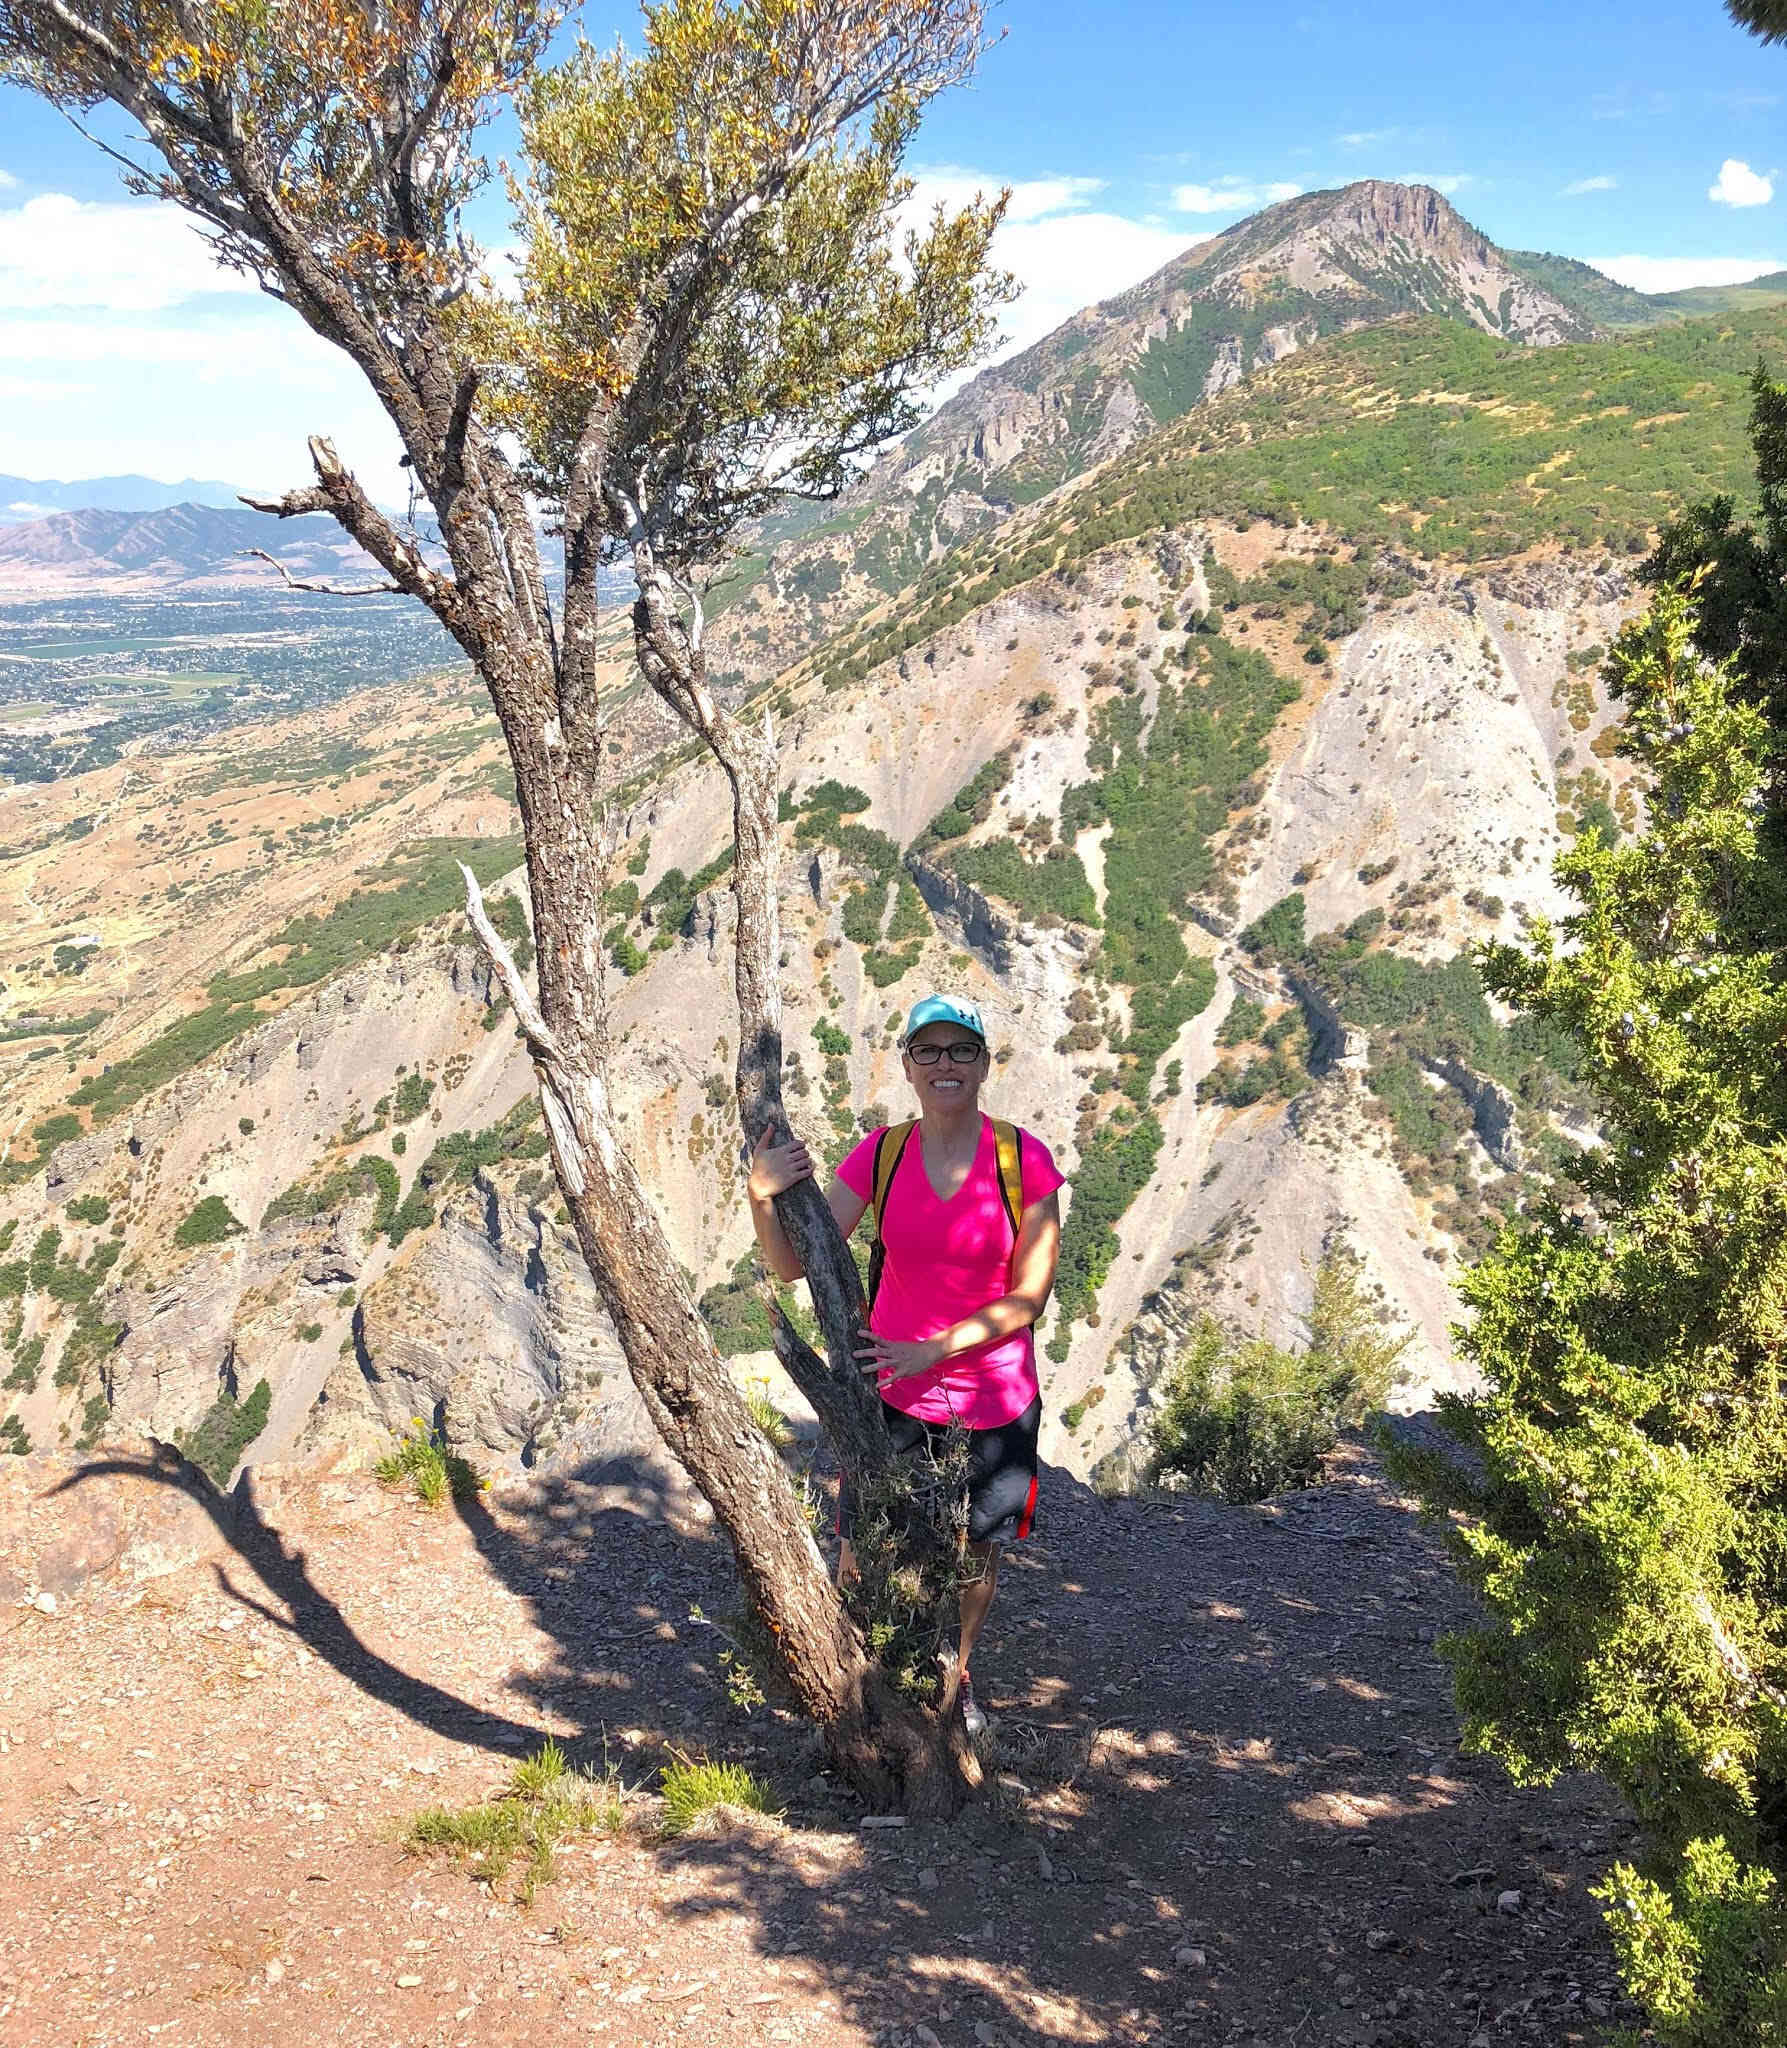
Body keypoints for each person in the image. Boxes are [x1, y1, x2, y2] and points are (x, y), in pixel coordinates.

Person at [746, 992, 1064, 1735]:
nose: (945, 1064)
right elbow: (794, 1264)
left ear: (983, 1065)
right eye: (929, 1050)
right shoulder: (883, 1154)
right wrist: (762, 1197)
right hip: (891, 1392)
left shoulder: (1022, 1160)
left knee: (975, 1552)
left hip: (993, 1397)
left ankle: (955, 1677)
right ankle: (863, 1675)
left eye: (961, 1050)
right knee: (862, 1541)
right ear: (909, 1065)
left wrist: (933, 1347)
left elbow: (1029, 1297)